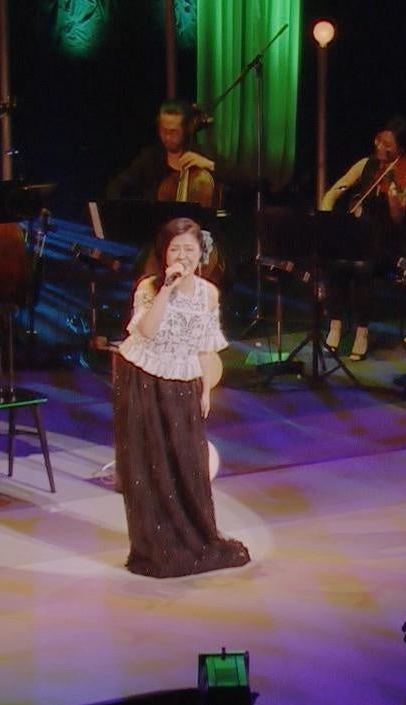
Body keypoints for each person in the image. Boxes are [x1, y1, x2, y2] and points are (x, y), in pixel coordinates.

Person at [112, 217, 249, 578]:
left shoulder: (208, 294)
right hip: (142, 376)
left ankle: (194, 537)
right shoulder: (149, 287)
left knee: (186, 461)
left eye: (190, 249)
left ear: (201, 253)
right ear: (164, 253)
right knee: (148, 464)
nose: (183, 256)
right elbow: (147, 330)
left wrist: (205, 390)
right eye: (175, 249)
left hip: (183, 377)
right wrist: (167, 290)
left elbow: (204, 345)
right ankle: (154, 546)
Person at [318, 118, 406, 361]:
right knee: (336, 262)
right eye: (379, 140)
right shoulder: (366, 164)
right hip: (360, 235)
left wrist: (392, 192)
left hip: (386, 242)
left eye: (388, 145)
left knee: (363, 266)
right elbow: (337, 189)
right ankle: (335, 326)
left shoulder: (404, 171)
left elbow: (398, 219)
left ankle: (362, 332)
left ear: (399, 148)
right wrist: (326, 214)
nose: (380, 147)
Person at [106, 100, 218, 207]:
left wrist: (210, 165)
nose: (167, 137)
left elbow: (229, 177)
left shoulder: (202, 154)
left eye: (173, 132)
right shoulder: (150, 158)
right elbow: (116, 186)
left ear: (185, 129)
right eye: (163, 130)